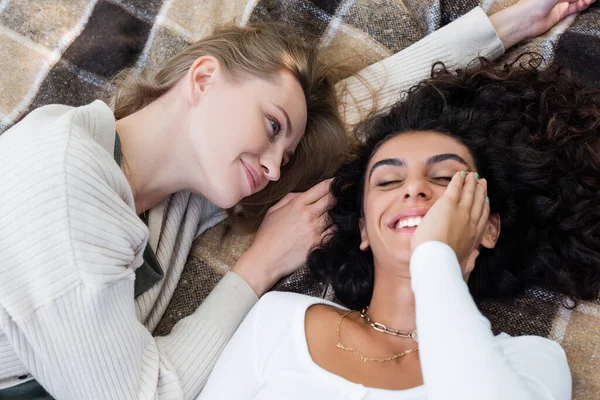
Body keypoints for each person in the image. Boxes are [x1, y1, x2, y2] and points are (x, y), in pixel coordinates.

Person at [0, 0, 592, 398]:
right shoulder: (65, 196)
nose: (277, 166)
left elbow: (355, 113)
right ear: (203, 79)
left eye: (286, 151)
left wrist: (499, 27)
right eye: (274, 127)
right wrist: (256, 268)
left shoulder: (166, 190)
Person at [197, 58, 600, 399]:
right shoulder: (279, 320)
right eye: (388, 181)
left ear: (488, 227)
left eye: (445, 178)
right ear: (364, 231)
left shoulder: (532, 361)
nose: (414, 188)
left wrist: (437, 261)